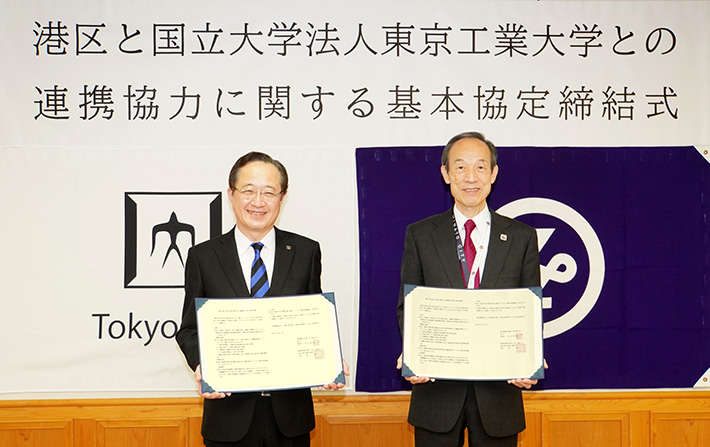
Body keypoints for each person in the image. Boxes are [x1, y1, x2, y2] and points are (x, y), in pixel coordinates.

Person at [176, 151, 348, 447]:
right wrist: (203, 364)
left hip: (290, 419)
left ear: (282, 198)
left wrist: (326, 359)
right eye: (249, 191)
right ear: (231, 194)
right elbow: (189, 329)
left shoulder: (306, 252)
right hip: (228, 417)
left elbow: (311, 320)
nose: (258, 202)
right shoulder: (203, 256)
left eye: (269, 192)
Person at [396, 132, 542, 447]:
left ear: (493, 174)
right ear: (446, 174)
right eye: (460, 168)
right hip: (436, 391)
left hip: (499, 394)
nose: (470, 177)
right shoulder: (421, 235)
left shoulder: (521, 237)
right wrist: (413, 351)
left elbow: (529, 308)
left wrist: (531, 356)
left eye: (480, 167)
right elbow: (408, 305)